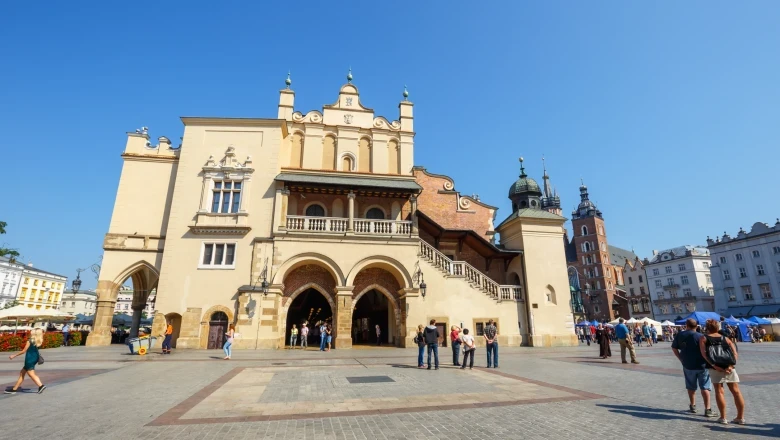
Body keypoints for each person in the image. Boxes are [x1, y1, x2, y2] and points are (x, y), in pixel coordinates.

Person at [699, 319, 745, 425]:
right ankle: (740, 417)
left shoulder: (704, 338)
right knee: (736, 392)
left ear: (707, 327)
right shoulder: (726, 338)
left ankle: (723, 417)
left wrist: (715, 365)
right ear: (718, 327)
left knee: (719, 391)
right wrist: (731, 365)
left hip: (715, 367)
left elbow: (704, 354)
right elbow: (735, 353)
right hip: (729, 367)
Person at [672, 318, 715, 417]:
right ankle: (708, 409)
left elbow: (674, 348)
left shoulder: (680, 335)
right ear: (697, 326)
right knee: (705, 387)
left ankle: (693, 405)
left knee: (690, 386)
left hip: (687, 364)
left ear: (686, 325)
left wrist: (680, 359)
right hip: (702, 365)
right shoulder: (701, 336)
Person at [5, 328, 47, 394]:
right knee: (22, 373)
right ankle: (14, 389)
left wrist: (14, 355)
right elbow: (42, 333)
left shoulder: (30, 341)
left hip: (29, 359)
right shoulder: (38, 340)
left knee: (32, 374)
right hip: (34, 358)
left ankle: (41, 386)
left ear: (34, 333)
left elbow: (23, 351)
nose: (30, 332)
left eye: (32, 331)